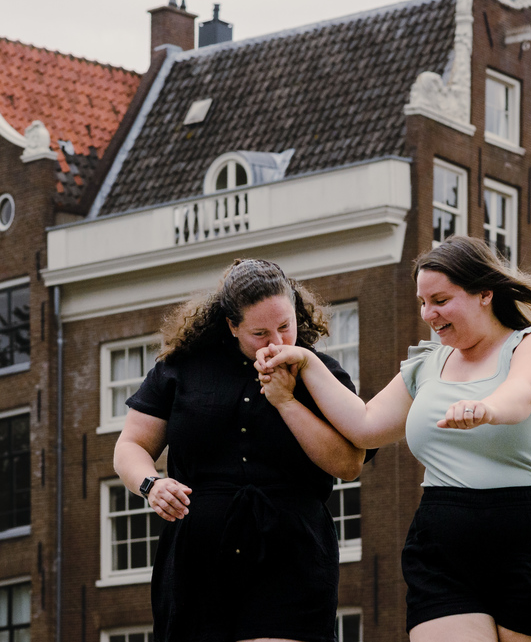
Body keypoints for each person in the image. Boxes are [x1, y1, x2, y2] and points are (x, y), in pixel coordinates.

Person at [257, 235, 531, 642]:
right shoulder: (427, 365)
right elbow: (363, 425)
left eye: (441, 300)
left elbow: (526, 392)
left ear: (485, 293)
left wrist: (488, 408)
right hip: (442, 540)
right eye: (422, 302)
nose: (428, 314)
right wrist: (306, 361)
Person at [113, 258, 367, 642]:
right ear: (232, 326)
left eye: (285, 326)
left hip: (290, 555)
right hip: (198, 561)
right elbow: (130, 445)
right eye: (260, 333)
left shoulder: (320, 373)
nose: (277, 342)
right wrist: (151, 484)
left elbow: (350, 464)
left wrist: (286, 402)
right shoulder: (182, 368)